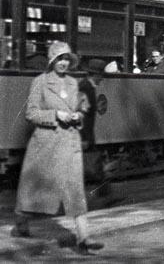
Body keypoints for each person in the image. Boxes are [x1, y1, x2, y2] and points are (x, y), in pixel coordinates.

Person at [11, 42, 103, 255]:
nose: (63, 63)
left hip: (70, 143)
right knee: (33, 189)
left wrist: (77, 115)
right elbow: (31, 114)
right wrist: (55, 116)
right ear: (52, 60)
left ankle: (84, 237)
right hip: (45, 144)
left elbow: (83, 108)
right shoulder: (40, 82)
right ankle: (21, 224)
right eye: (59, 59)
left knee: (75, 191)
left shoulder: (74, 83)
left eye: (66, 60)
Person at [78, 59, 111, 198]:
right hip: (84, 134)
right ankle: (105, 194)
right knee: (93, 164)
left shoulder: (87, 86)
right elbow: (82, 114)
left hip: (86, 134)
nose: (102, 79)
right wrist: (84, 137)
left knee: (94, 163)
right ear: (95, 75)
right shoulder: (85, 87)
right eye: (101, 76)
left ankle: (104, 193)